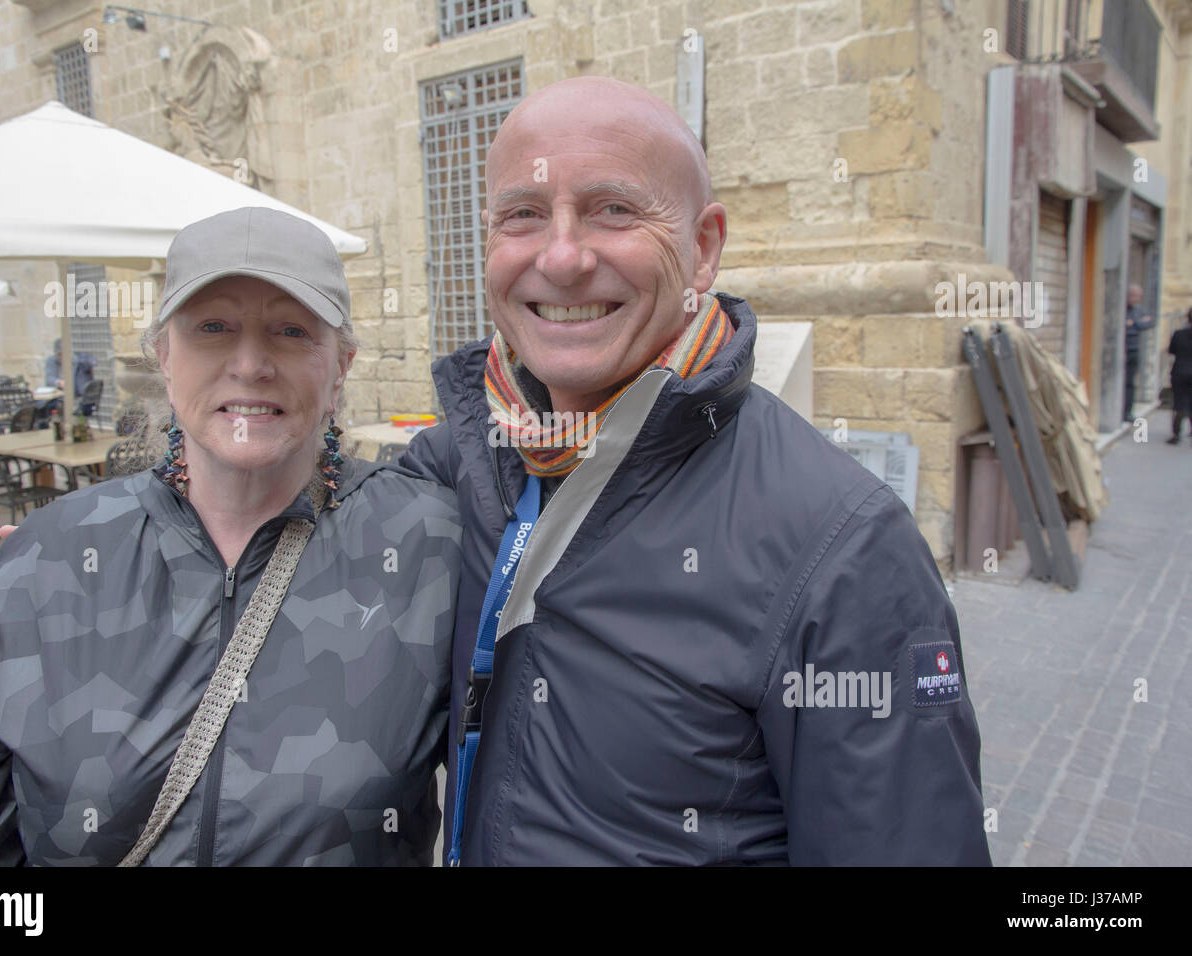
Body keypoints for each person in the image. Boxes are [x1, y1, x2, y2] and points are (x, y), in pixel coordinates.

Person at [400, 77, 991, 865]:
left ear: (704, 247)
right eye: (523, 215)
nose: (564, 256)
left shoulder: (846, 549)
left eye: (614, 209)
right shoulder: (462, 465)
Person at [0, 207, 462, 866]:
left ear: (340, 365)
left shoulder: (430, 546)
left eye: (291, 330)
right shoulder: (51, 553)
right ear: (165, 358)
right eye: (212, 327)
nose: (251, 363)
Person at [1124, 283, 1155, 423]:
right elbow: (1123, 325)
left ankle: (1127, 412)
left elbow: (1149, 322)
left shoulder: (1138, 310)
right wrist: (1136, 323)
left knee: (1130, 382)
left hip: (1133, 350)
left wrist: (1133, 323)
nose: (1135, 299)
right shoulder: (1121, 308)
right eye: (1133, 295)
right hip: (1121, 349)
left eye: (1138, 296)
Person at [1167, 306, 1192, 444]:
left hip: (1180, 371)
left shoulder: (1179, 334)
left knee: (1179, 402)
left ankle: (1176, 433)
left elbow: (1171, 350)